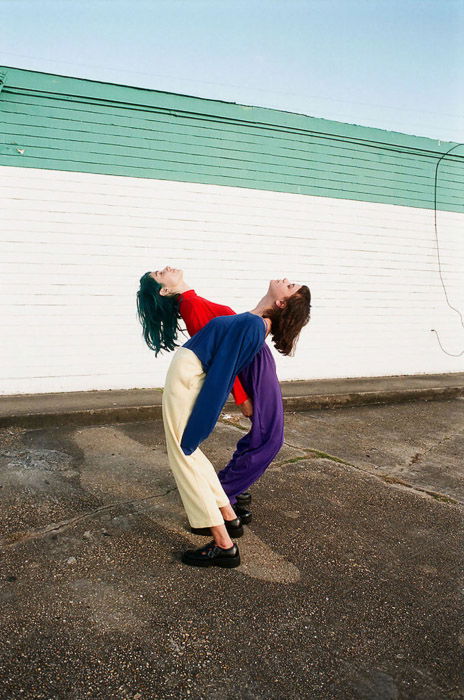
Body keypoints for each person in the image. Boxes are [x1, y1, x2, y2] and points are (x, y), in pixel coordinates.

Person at [137, 270, 311, 568]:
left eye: (290, 286)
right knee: (191, 455)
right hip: (188, 375)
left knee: (184, 454)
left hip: (187, 377)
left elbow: (222, 375)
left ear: (282, 303)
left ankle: (223, 545)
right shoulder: (254, 320)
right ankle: (229, 519)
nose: (285, 279)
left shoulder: (254, 325)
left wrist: (202, 423)